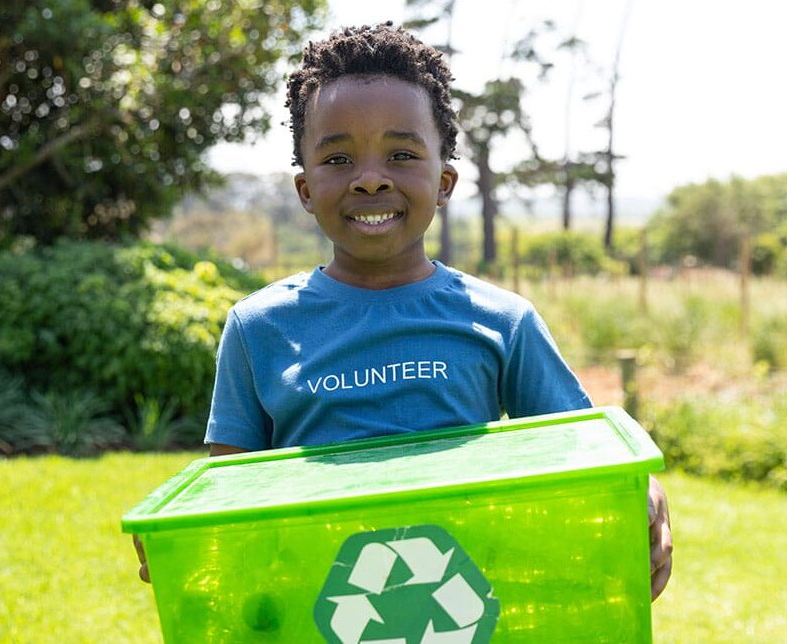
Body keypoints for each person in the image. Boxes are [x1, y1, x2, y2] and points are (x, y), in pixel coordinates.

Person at [135, 22, 672, 601]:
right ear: (305, 190)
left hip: (468, 613)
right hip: (314, 613)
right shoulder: (258, 327)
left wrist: (641, 492)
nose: (370, 179)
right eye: (338, 157)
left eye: (401, 154)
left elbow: (584, 461)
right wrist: (180, 534)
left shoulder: (503, 322)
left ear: (444, 182)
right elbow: (228, 494)